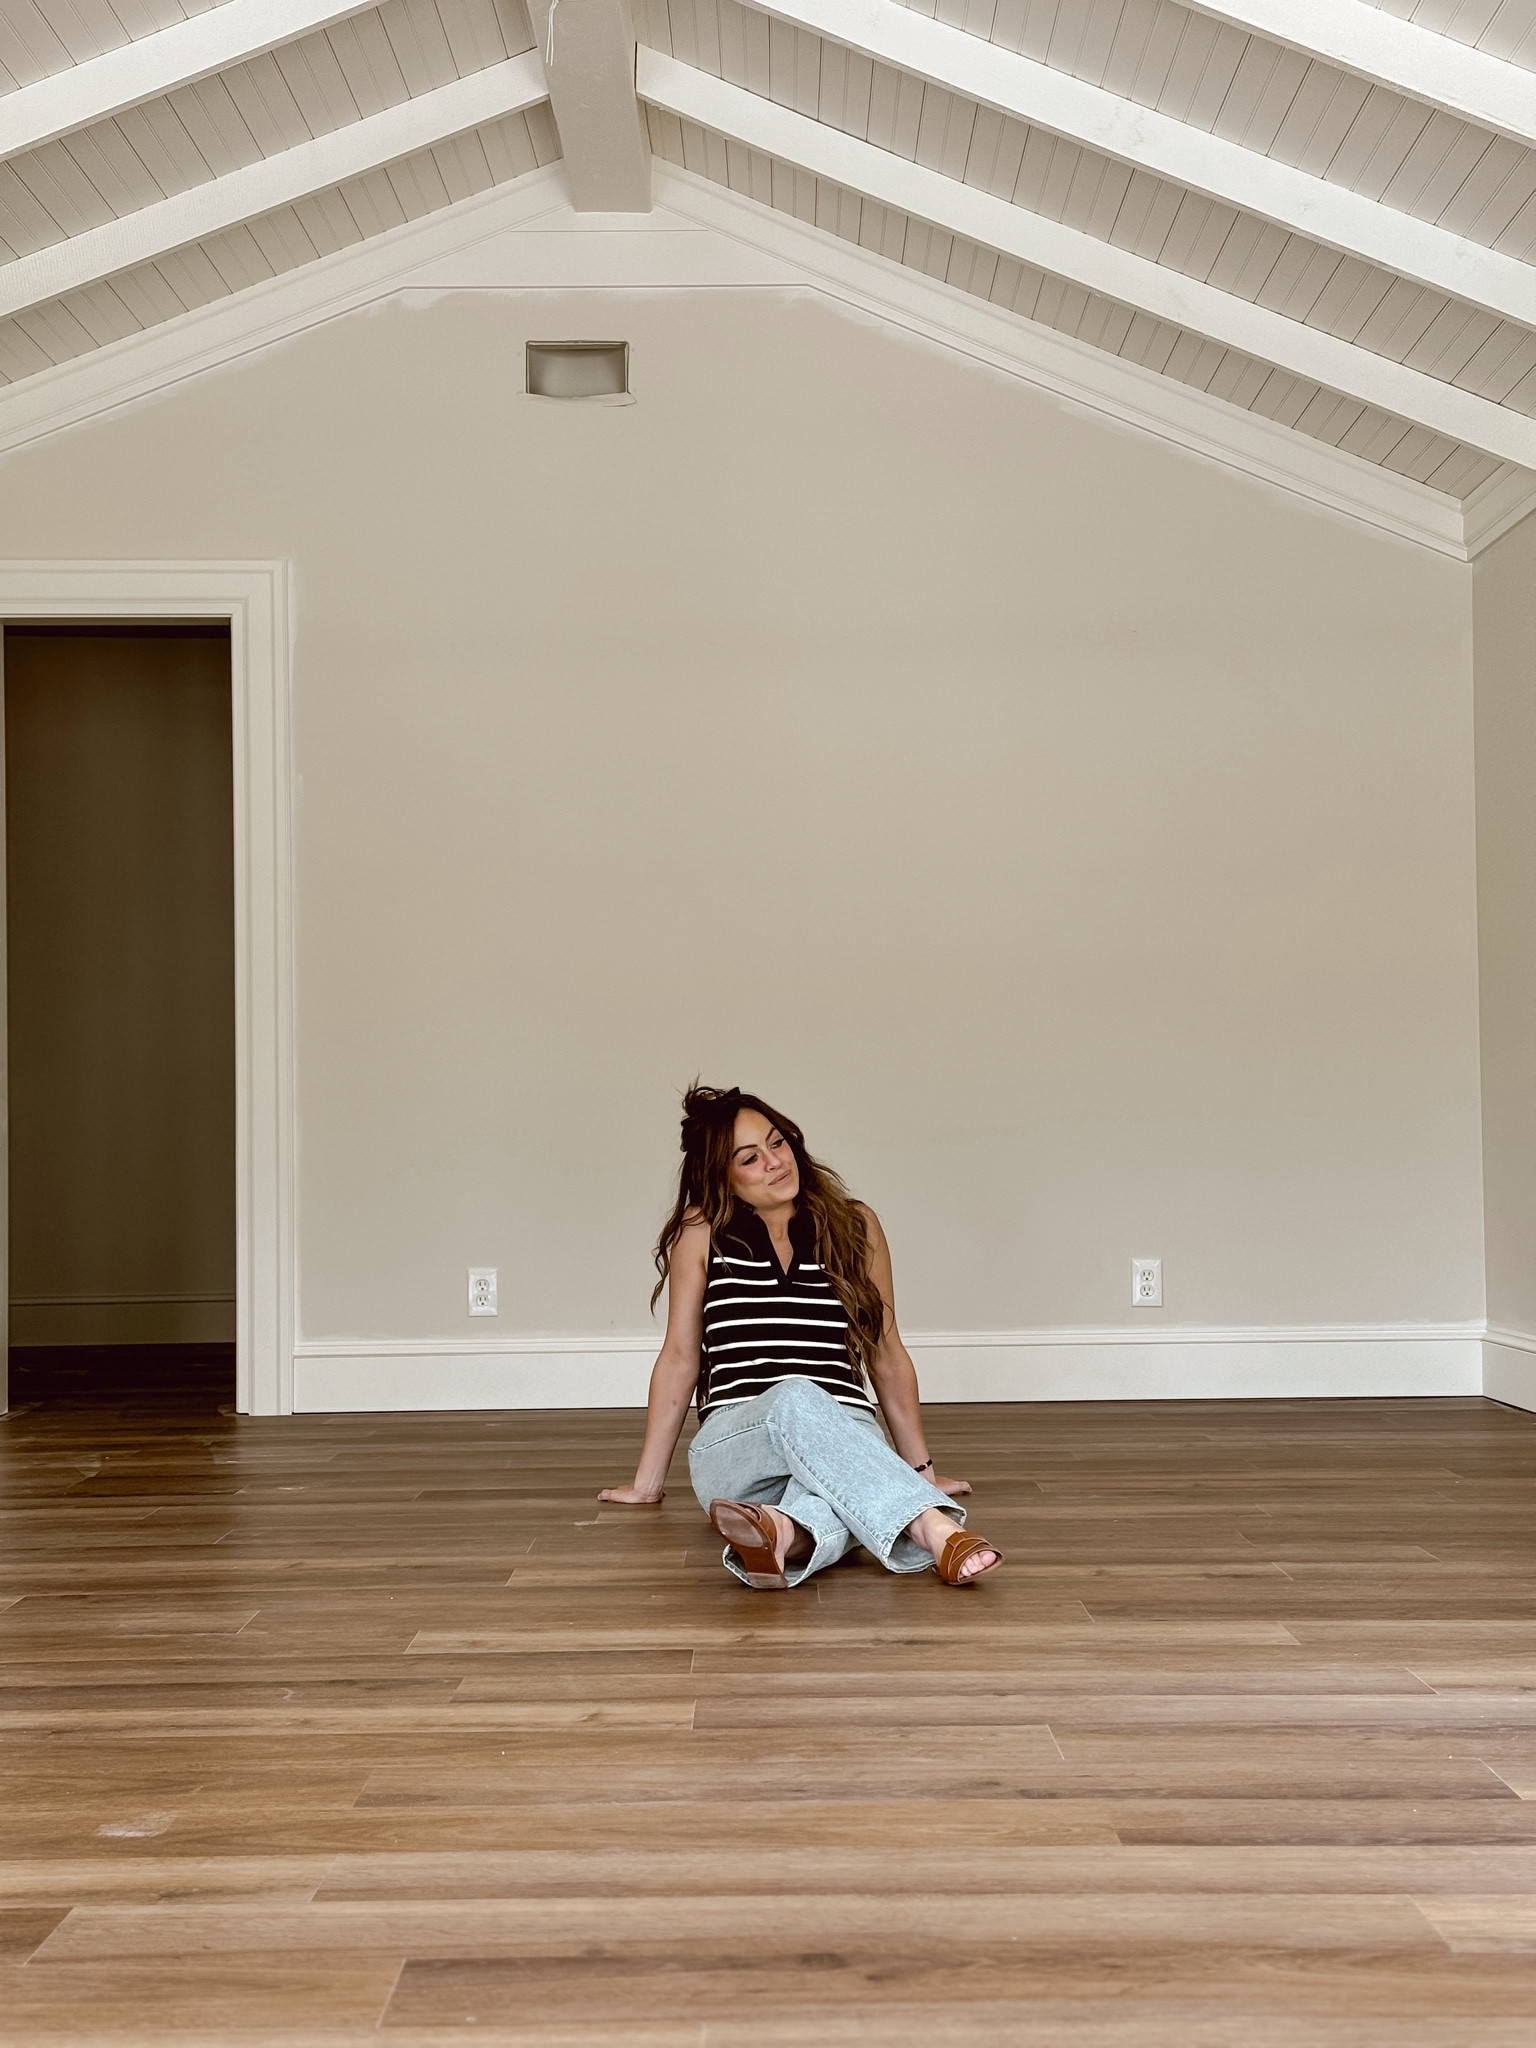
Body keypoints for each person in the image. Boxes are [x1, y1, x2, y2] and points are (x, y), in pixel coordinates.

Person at [600, 1084, 1003, 1590]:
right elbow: (680, 1359)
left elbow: (886, 1353)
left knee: (831, 1491)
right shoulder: (700, 1231)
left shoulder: (856, 1225)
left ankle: (783, 1534)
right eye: (750, 1158)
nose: (774, 1162)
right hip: (737, 1443)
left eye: (777, 1142)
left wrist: (920, 1468)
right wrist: (646, 1484)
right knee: (795, 1396)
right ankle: (930, 1523)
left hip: (846, 1430)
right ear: (722, 1179)